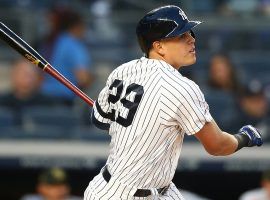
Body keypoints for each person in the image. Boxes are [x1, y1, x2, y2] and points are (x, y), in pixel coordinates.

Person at [84, 5, 263, 200]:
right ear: (158, 46)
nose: (191, 40)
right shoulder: (181, 87)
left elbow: (99, 120)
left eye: (190, 33)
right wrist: (244, 138)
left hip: (127, 187)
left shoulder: (122, 71)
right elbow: (217, 145)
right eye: (181, 36)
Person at [41, 9, 93, 106]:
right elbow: (83, 78)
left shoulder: (51, 41)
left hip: (42, 96)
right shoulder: (73, 45)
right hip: (63, 100)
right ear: (77, 26)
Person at [0, 59, 52, 126]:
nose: (26, 78)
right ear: (13, 75)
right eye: (22, 73)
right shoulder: (2, 102)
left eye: (30, 74)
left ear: (39, 78)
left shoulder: (49, 105)